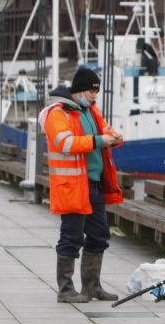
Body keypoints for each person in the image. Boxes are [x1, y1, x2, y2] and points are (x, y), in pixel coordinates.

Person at [39, 67, 124, 303]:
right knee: (71, 236)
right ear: (79, 91)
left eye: (96, 91)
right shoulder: (57, 113)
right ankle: (65, 289)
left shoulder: (91, 111)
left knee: (99, 235)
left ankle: (91, 286)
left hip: (93, 184)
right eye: (91, 91)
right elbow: (64, 143)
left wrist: (115, 138)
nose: (95, 95)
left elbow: (106, 130)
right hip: (73, 185)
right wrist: (99, 140)